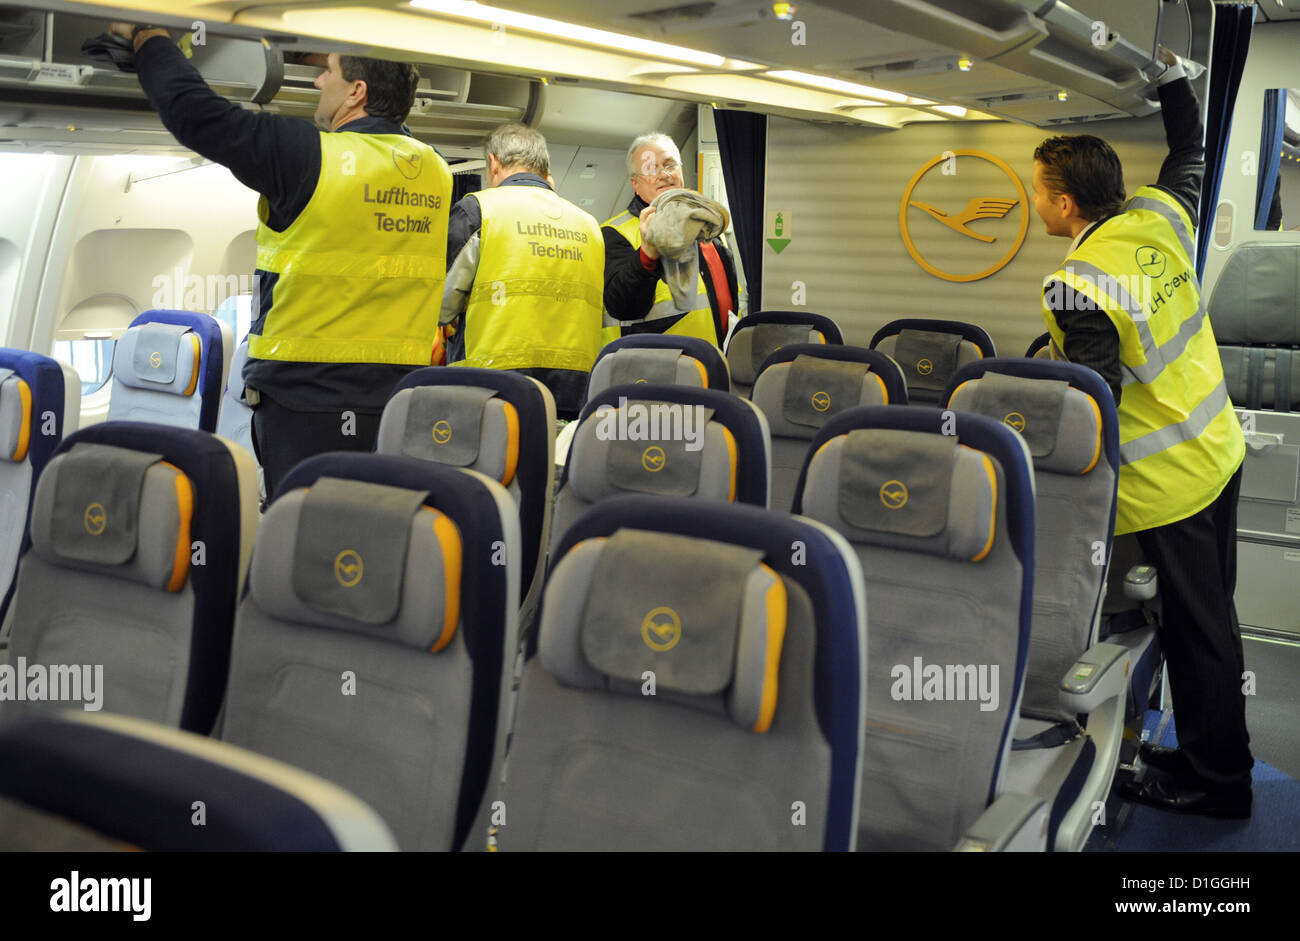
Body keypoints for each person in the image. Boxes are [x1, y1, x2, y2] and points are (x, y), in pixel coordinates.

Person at [1032, 46, 1252, 816]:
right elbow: (1191, 150)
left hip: (1170, 484)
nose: (1037, 202)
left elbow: (1093, 393)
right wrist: (1171, 80)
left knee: (1198, 635)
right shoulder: (1159, 216)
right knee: (1214, 621)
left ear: (1064, 205)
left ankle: (1217, 782)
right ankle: (1209, 751)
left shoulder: (1078, 280)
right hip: (1220, 451)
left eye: (1040, 192)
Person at [112, 24, 452, 497]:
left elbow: (197, 115)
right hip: (399, 400)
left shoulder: (307, 156)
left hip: (307, 403)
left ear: (357, 92)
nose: (317, 82)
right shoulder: (434, 168)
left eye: (327, 72)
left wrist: (148, 38)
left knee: (305, 535)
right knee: (374, 525)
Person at [441, 124, 603, 418]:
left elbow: (441, 304)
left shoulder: (478, 210)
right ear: (544, 168)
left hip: (492, 386)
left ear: (493, 162)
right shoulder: (589, 224)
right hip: (577, 390)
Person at [602, 133, 738, 347]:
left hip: (713, 365)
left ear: (681, 170)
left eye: (669, 165)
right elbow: (622, 307)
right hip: (656, 370)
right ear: (635, 183)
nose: (663, 175)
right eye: (650, 168)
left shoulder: (708, 228)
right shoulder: (615, 233)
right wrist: (647, 253)